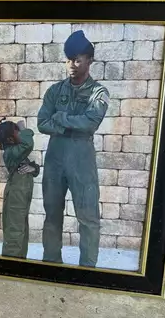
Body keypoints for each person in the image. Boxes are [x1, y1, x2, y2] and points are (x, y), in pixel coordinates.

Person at [36, 30, 110, 267]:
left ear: (90, 60)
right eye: (68, 60)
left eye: (77, 60)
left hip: (82, 161)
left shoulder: (99, 92)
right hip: (55, 160)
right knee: (52, 216)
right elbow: (42, 123)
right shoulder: (55, 91)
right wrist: (70, 124)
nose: (72, 65)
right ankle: (51, 264)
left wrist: (62, 118)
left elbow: (91, 123)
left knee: (88, 218)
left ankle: (87, 270)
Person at [0, 119, 40, 259]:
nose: (20, 134)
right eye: (17, 132)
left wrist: (33, 168)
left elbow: (28, 167)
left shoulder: (17, 152)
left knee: (21, 232)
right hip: (16, 196)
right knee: (15, 233)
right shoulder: (10, 152)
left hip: (21, 196)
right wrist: (24, 128)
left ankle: (20, 263)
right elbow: (28, 143)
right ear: (10, 138)